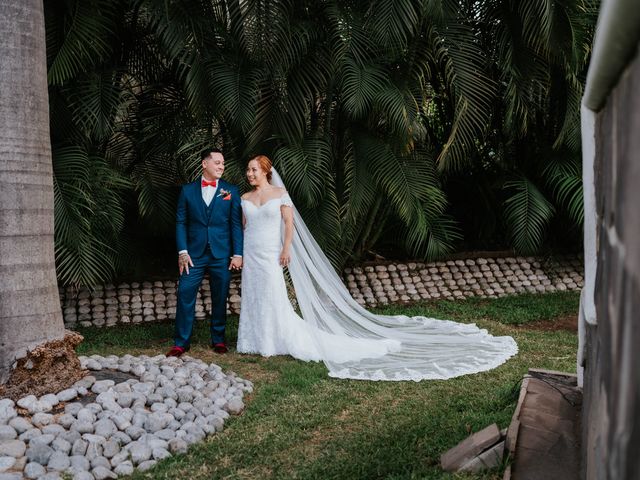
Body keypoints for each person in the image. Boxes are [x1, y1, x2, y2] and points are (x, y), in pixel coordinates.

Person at [237, 154, 518, 381]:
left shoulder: (280, 194)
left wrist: (286, 248)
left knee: (273, 294)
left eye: (253, 170)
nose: (250, 174)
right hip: (253, 253)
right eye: (248, 171)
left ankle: (274, 340)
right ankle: (255, 339)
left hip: (273, 253)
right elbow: (245, 227)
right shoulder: (245, 199)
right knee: (255, 294)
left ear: (265, 171)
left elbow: (289, 224)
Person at [166, 148, 243, 357]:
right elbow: (181, 222)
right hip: (193, 255)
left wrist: (238, 253)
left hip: (221, 254)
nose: (221, 166)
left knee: (220, 296)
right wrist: (182, 251)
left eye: (223, 163)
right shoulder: (187, 191)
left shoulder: (230, 191)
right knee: (185, 293)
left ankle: (218, 339)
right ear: (204, 164)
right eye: (217, 162)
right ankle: (181, 343)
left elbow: (236, 224)